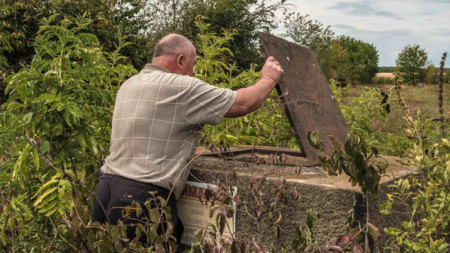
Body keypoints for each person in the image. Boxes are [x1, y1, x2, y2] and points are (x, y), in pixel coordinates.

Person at [90, 33, 283, 251]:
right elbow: (244, 103)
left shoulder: (129, 84)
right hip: (142, 200)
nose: (194, 72)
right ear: (180, 60)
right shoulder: (181, 86)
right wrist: (268, 79)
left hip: (104, 191)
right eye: (193, 64)